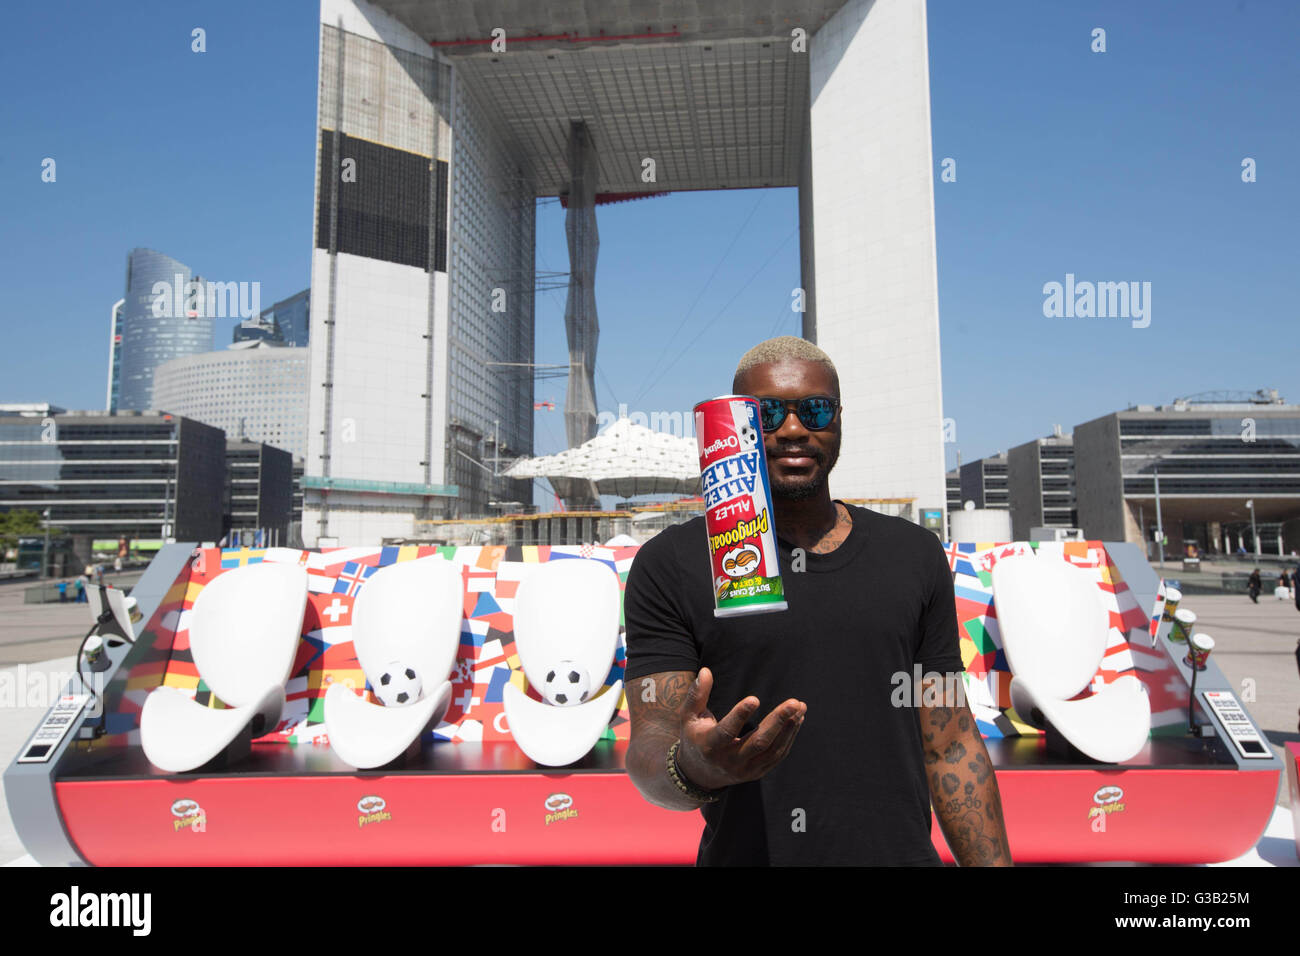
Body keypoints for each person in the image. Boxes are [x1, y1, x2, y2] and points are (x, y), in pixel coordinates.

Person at [622, 336, 1011, 866]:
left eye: (815, 408)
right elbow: (649, 754)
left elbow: (953, 745)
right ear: (735, 426)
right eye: (764, 414)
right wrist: (695, 766)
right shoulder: (672, 564)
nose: (792, 429)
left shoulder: (913, 555)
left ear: (839, 418)